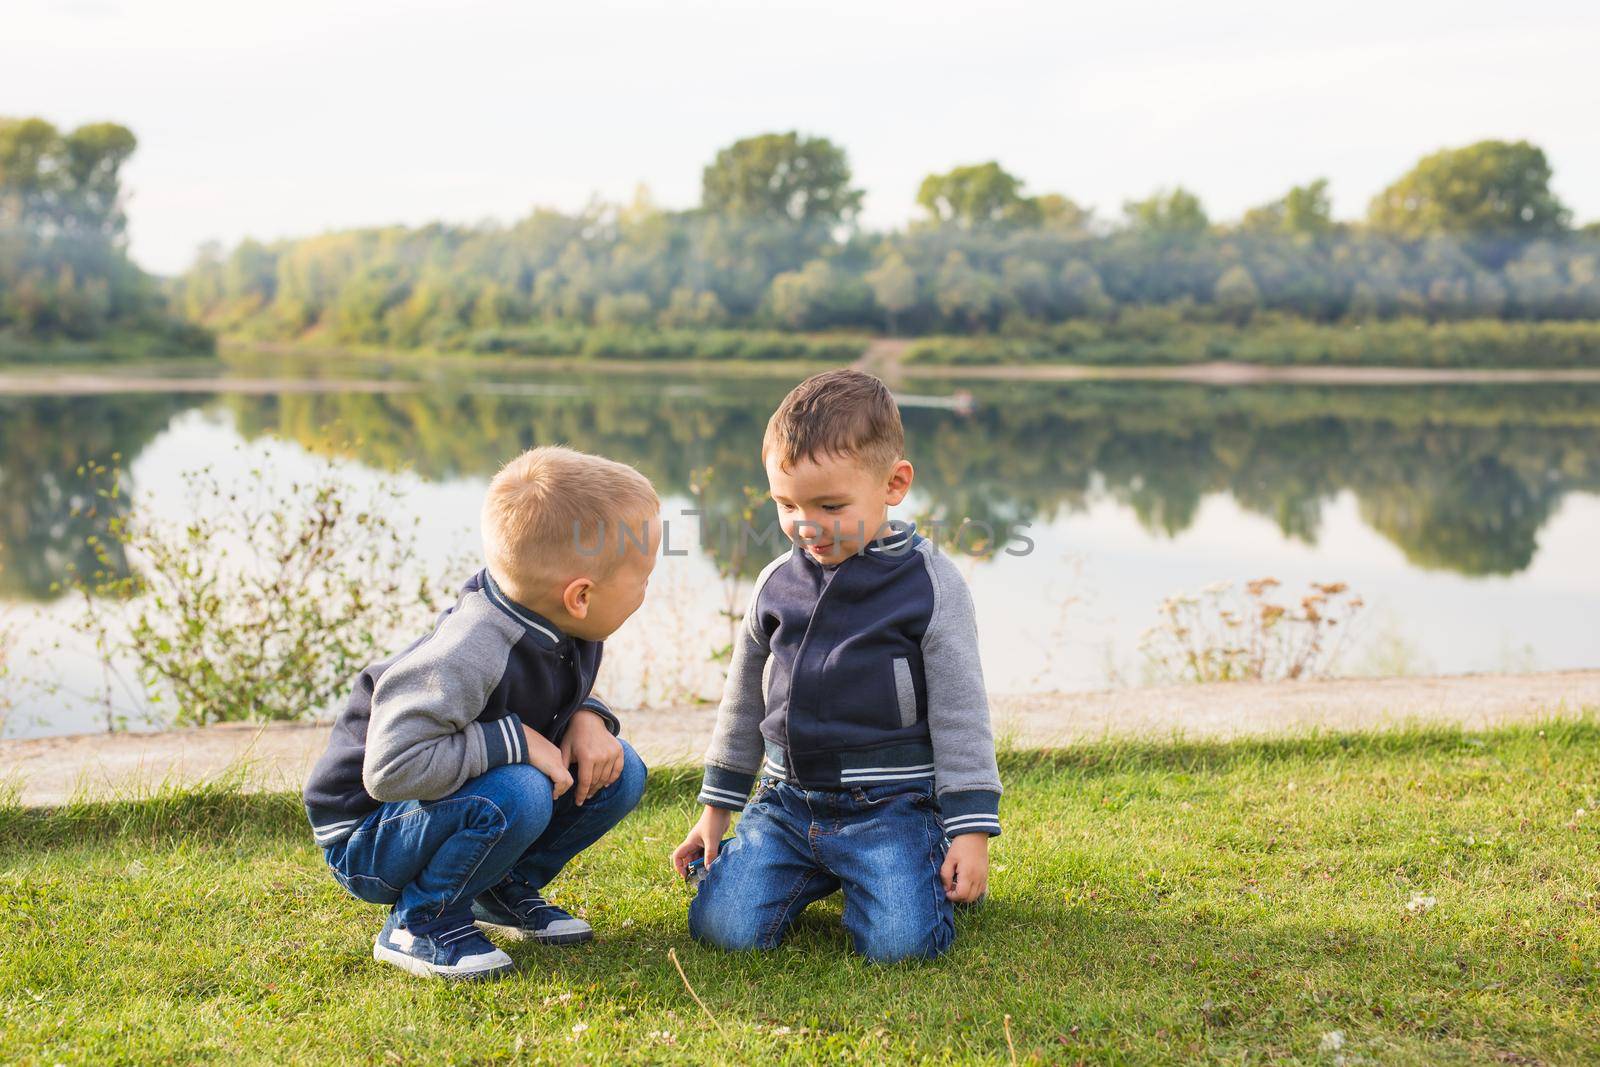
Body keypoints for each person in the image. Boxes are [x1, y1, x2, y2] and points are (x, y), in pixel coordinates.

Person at [671, 369, 1002, 963]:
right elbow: (743, 700)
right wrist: (716, 813)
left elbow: (961, 711)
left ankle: (905, 870)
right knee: (720, 931)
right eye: (786, 503)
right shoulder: (776, 581)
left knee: (903, 948)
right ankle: (815, 873)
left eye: (830, 506)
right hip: (786, 806)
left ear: (894, 484)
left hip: (892, 808)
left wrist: (970, 831)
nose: (805, 524)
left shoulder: (929, 583)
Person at [303, 445, 659, 979]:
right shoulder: (469, 649)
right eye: (643, 578)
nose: (646, 592)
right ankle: (420, 923)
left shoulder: (559, 620)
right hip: (368, 835)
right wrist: (514, 742)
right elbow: (389, 770)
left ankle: (498, 888)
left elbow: (549, 692)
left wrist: (588, 715)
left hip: (444, 801)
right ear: (580, 595)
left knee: (619, 769)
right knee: (521, 788)